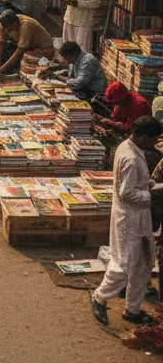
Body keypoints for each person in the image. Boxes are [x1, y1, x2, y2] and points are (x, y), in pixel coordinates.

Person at [90, 117, 163, 327]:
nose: (154, 144)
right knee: (124, 264)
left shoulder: (128, 147)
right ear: (141, 137)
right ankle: (100, 297)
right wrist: (150, 195)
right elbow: (127, 192)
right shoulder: (131, 158)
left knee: (143, 263)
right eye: (152, 139)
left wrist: (148, 185)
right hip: (130, 218)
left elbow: (133, 184)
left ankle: (133, 309)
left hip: (138, 217)